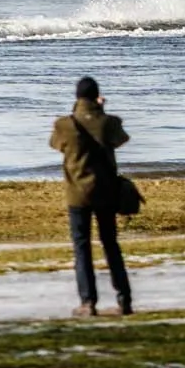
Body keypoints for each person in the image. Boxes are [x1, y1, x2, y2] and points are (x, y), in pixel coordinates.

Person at [49, 76, 133, 317]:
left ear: (77, 98)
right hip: (106, 192)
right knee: (111, 244)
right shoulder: (108, 122)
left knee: (81, 247)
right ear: (97, 96)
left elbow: (56, 144)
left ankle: (88, 302)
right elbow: (121, 138)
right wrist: (101, 111)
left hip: (77, 195)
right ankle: (124, 299)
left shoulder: (64, 124)